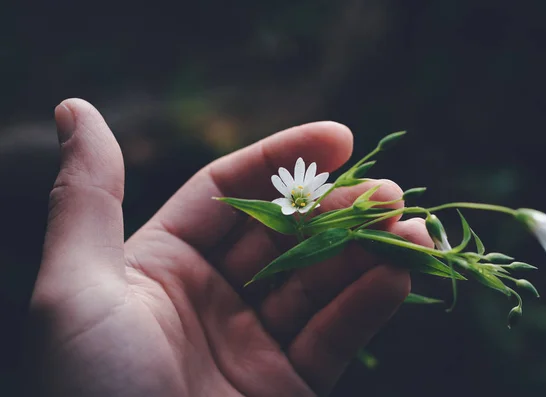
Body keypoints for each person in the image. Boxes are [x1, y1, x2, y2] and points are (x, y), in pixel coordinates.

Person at [26, 98, 433, 396]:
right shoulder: (291, 204)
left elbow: (302, 199)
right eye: (295, 199)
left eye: (299, 200)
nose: (297, 201)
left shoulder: (300, 200)